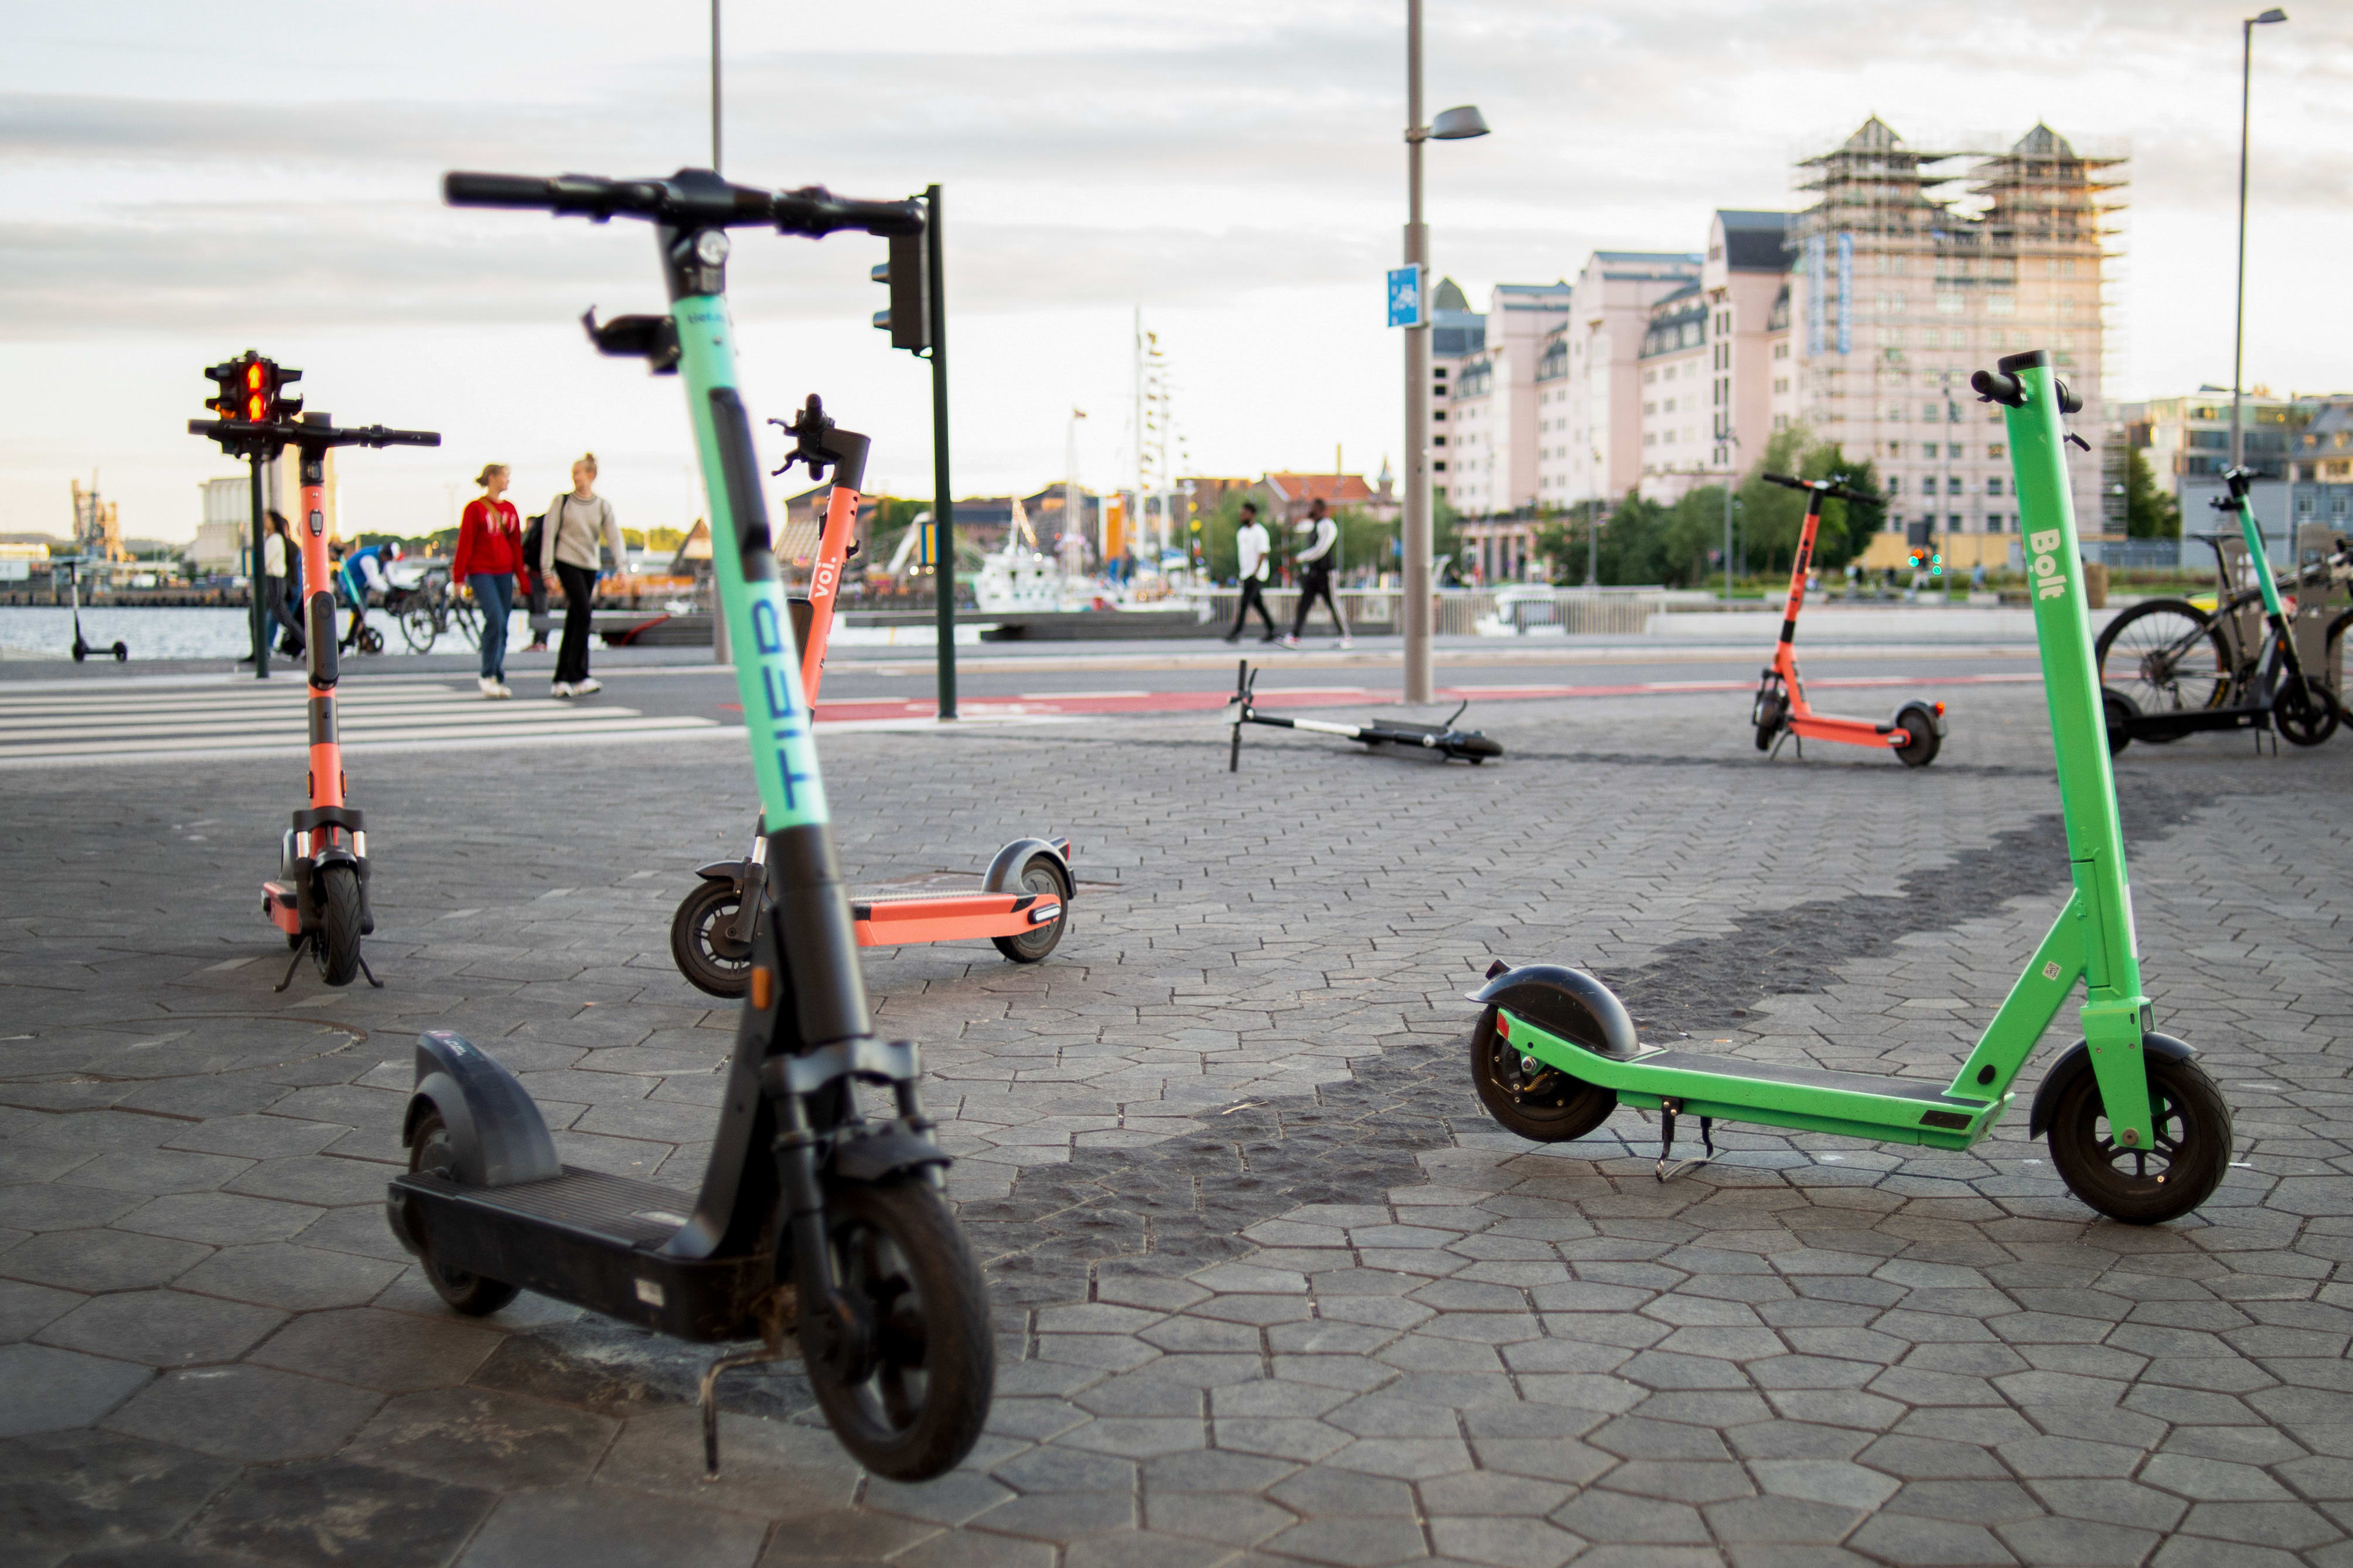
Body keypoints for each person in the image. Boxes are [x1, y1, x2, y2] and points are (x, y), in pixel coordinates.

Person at [539, 453, 626, 698]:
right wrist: (547, 570)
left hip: (590, 565)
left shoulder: (602, 506)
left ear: (591, 475)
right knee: (584, 614)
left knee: (575, 619)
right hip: (566, 561)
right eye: (573, 473)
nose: (574, 477)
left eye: (578, 473)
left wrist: (622, 568)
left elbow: (614, 537)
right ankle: (579, 675)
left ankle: (563, 678)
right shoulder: (562, 502)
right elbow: (549, 535)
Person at [453, 463, 523, 699]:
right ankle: (487, 674)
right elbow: (465, 543)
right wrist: (459, 578)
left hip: (505, 572)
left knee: (504, 624)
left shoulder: (510, 509)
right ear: (492, 478)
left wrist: (522, 578)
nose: (508, 481)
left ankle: (497, 675)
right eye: (504, 476)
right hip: (481, 571)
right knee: (495, 618)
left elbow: (516, 545)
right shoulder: (475, 509)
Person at [1282, 498, 1350, 650]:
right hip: (1313, 573)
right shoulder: (1316, 526)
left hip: (1326, 574)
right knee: (1303, 605)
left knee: (1334, 604)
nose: (1309, 510)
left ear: (1319, 509)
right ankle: (1295, 636)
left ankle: (1346, 636)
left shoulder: (1327, 525)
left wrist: (1300, 558)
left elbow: (1321, 550)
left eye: (1312, 507)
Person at [1223, 501, 1276, 644]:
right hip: (1246, 574)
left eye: (1244, 513)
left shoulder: (1260, 532)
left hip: (1256, 575)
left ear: (1252, 514)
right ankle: (1273, 630)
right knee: (1258, 605)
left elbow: (1263, 553)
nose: (1241, 516)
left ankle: (1237, 632)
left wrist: (1255, 572)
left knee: (1244, 603)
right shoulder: (1241, 533)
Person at [336, 539, 395, 651]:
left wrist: (394, 587)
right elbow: (374, 581)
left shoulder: (382, 559)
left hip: (359, 586)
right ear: (385, 555)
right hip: (349, 584)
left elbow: (390, 576)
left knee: (361, 612)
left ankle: (359, 638)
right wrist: (389, 590)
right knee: (359, 610)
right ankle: (357, 638)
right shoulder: (369, 559)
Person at [261, 510, 305, 657]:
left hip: (278, 581)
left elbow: (264, 562)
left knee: (281, 617)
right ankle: (264, 649)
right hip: (280, 582)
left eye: (267, 519)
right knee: (275, 616)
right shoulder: (278, 541)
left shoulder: (276, 540)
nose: (264, 521)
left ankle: (307, 643)